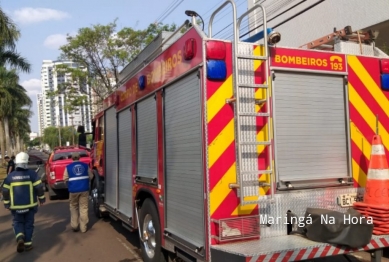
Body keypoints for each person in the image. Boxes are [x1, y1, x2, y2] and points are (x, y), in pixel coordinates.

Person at [2, 152, 46, 253]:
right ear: (26, 162)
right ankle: (28, 244)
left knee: (17, 223)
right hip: (30, 206)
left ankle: (20, 237)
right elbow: (39, 187)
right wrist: (42, 199)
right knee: (29, 224)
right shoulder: (32, 174)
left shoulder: (10, 177)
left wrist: (6, 204)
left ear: (17, 162)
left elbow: (5, 191)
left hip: (16, 207)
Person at [63, 152, 93, 233]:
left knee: (74, 207)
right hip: (84, 189)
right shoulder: (85, 166)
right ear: (79, 157)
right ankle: (83, 228)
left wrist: (70, 184)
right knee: (83, 208)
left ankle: (75, 226)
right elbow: (91, 176)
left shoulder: (68, 167)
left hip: (73, 190)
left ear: (72, 158)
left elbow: (65, 178)